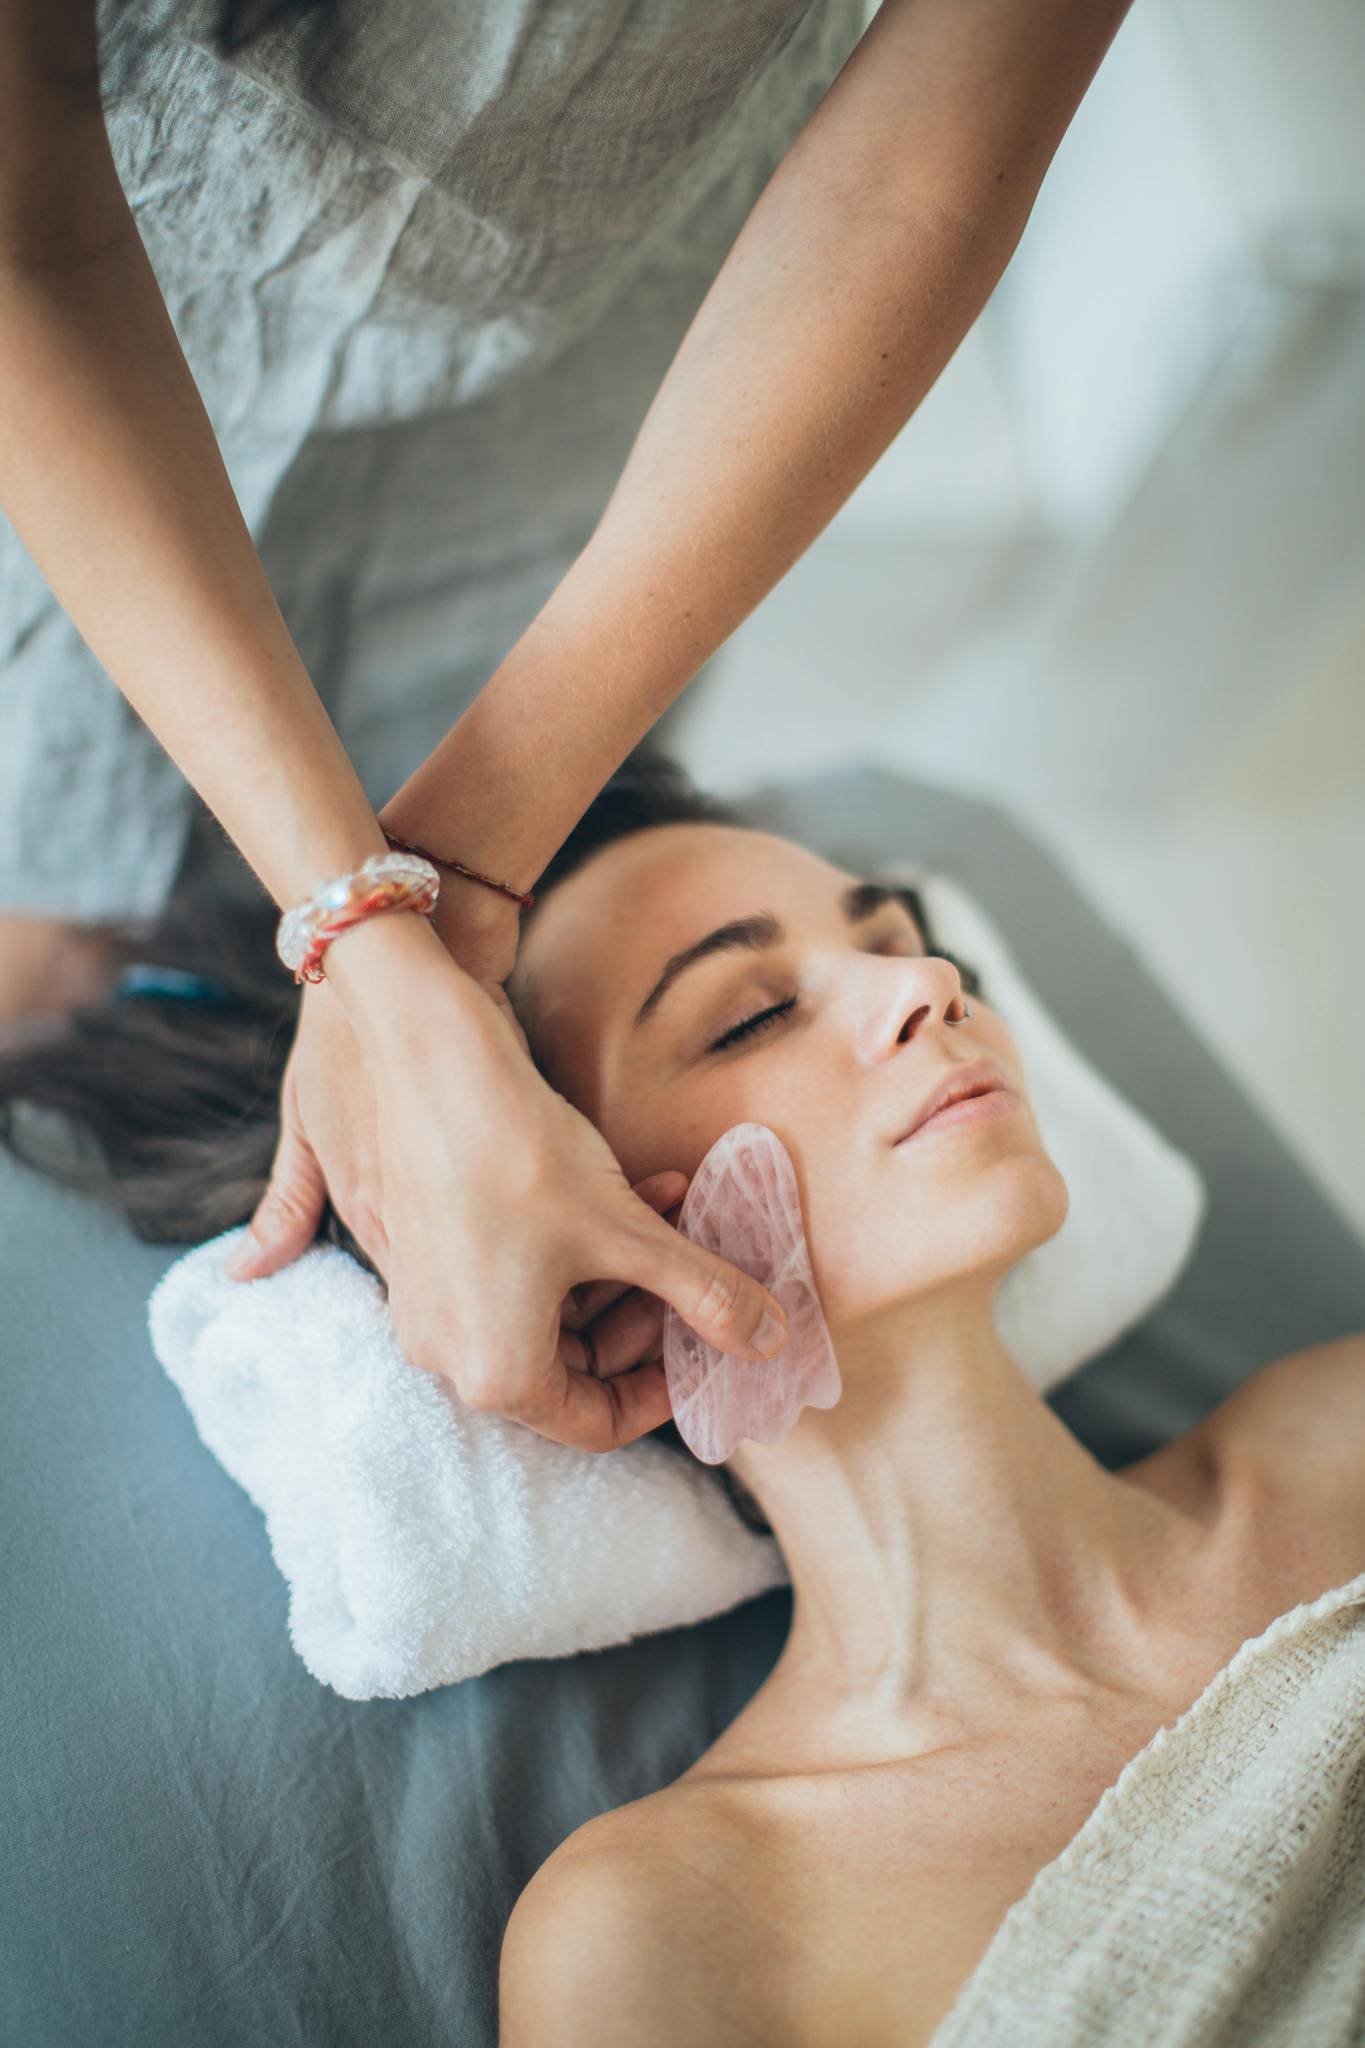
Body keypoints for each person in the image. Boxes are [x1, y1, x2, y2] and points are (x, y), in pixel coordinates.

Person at [2, 748, 1361, 2043]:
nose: (929, 984)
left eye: (893, 937)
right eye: (753, 1014)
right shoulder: (673, 1930)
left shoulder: (1336, 1434)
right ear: (582, 1254)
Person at [0, 0, 1138, 1453]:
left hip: (592, 395)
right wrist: (374, 940)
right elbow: (26, 238)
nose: (933, 987)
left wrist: (421, 899)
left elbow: (914, 180)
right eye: (751, 1016)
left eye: (778, 994)